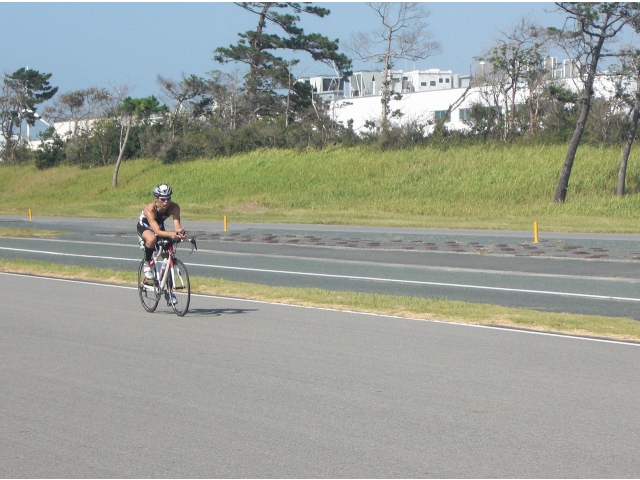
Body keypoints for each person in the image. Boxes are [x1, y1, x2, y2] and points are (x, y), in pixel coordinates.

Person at [137, 184, 187, 280]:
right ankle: (147, 263)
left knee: (167, 257)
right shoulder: (150, 209)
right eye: (163, 199)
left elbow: (177, 226)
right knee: (152, 239)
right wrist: (171, 234)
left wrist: (180, 233)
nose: (166, 202)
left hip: (159, 226)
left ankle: (166, 288)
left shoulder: (174, 207)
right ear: (156, 198)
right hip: (145, 226)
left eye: (168, 198)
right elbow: (157, 231)